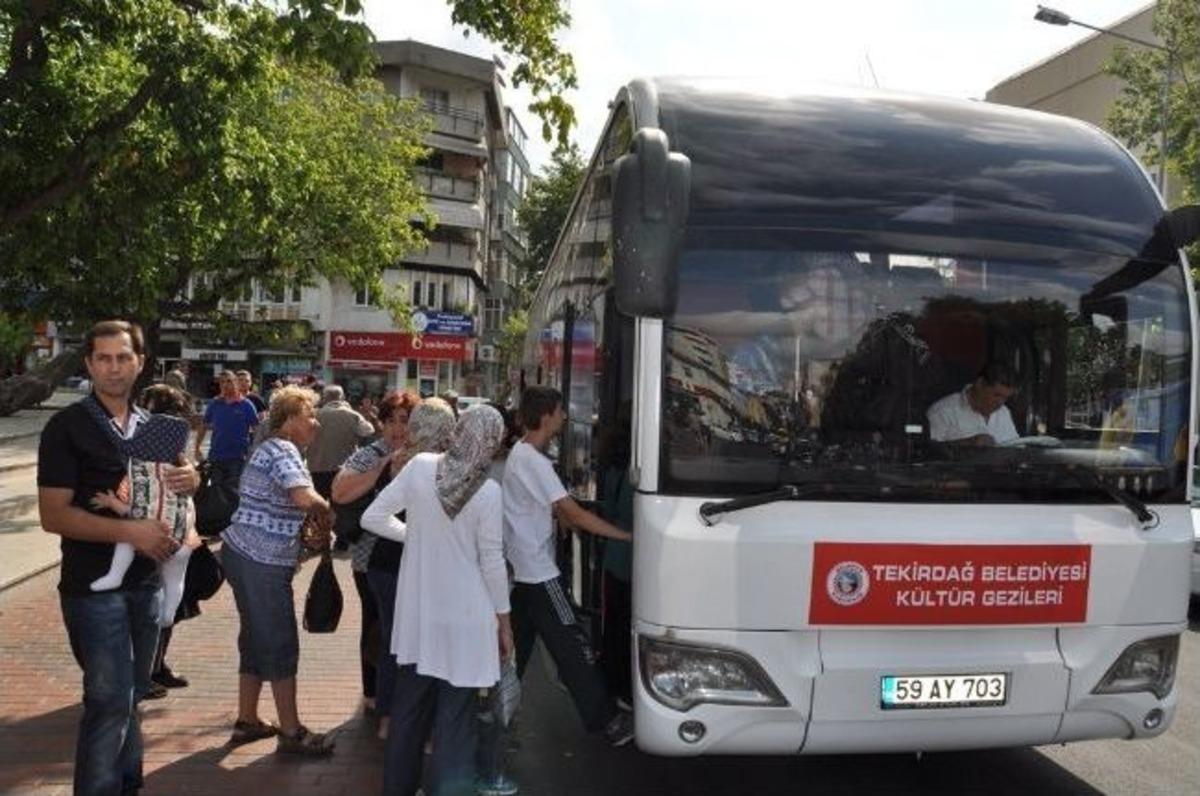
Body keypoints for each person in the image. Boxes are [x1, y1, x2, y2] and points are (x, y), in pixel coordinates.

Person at [37, 319, 200, 796]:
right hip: (93, 588)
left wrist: (193, 479)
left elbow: (174, 490)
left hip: (146, 581)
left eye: (123, 357)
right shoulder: (67, 427)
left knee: (131, 698)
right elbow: (53, 515)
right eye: (103, 358)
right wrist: (128, 529)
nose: (114, 367)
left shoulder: (156, 428)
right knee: (107, 700)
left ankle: (127, 785)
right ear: (88, 363)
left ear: (141, 362)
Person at [361, 406, 512, 796]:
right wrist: (505, 624)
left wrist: (414, 536)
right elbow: (493, 562)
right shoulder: (488, 491)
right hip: (468, 619)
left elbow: (372, 518)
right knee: (455, 722)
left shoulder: (419, 467)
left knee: (408, 714)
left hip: (418, 616)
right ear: (493, 442)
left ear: (458, 431)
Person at [502, 386, 634, 746]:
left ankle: (493, 713)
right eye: (560, 411)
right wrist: (624, 536)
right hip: (540, 574)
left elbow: (562, 513)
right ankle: (607, 721)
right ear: (546, 416)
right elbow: (571, 512)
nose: (564, 417)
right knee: (572, 647)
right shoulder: (534, 460)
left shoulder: (521, 454)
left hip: (524, 569)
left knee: (514, 649)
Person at [220, 385, 337, 756]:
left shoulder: (269, 447)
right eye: (310, 416)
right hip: (262, 560)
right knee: (280, 642)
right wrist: (326, 509)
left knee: (254, 637)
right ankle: (291, 730)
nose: (315, 423)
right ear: (289, 420)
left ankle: (248, 720)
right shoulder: (284, 448)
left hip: (241, 552)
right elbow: (303, 497)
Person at [330, 391, 432, 740]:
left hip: (410, 559)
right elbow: (339, 493)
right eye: (391, 421)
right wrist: (383, 468)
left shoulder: (425, 458)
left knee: (391, 631)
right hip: (370, 559)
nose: (398, 429)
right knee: (376, 625)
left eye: (405, 421)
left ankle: (385, 697)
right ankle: (374, 694)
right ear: (381, 423)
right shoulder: (368, 455)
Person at [306, 384, 376, 504]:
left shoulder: (315, 415)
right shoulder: (352, 415)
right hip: (343, 469)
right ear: (342, 397)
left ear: (324, 398)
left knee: (319, 504)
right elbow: (368, 431)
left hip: (317, 467)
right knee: (340, 506)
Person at [926, 361, 1020, 446]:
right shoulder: (942, 412)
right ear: (980, 384)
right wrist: (968, 444)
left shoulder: (1004, 412)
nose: (1000, 402)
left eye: (1005, 398)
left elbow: (1016, 449)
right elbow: (928, 452)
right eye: (996, 395)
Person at [195, 370, 259, 489]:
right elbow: (203, 425)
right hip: (216, 456)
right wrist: (197, 447)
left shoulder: (246, 405)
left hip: (238, 457)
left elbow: (257, 430)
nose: (225, 385)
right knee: (217, 492)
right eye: (222, 382)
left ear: (235, 382)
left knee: (234, 492)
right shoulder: (214, 404)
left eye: (229, 381)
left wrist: (255, 451)